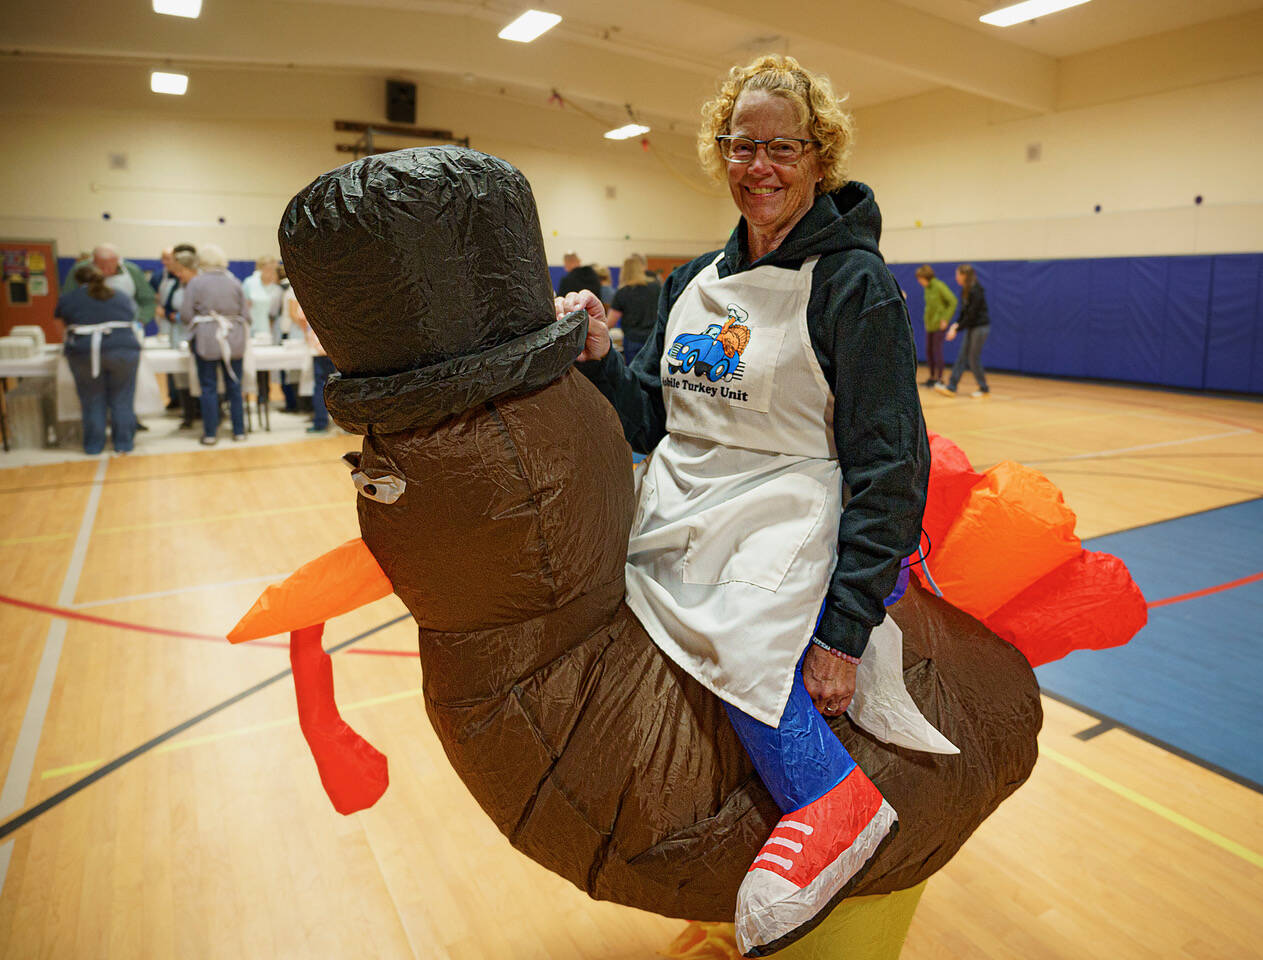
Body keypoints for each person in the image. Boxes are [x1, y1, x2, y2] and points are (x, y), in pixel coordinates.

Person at [561, 54, 928, 955]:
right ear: (720, 152)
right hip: (683, 495)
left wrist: (842, 630)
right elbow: (651, 412)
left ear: (817, 157)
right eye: (741, 145)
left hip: (786, 502)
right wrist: (607, 355)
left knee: (735, 627)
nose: (758, 165)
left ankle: (831, 798)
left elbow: (892, 462)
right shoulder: (694, 280)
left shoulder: (855, 286)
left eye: (781, 148)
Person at [54, 264, 141, 454]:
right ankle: (124, 444)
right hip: (123, 350)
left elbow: (60, 329)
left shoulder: (68, 299)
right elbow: (135, 317)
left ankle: (94, 445)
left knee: (92, 399)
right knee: (123, 398)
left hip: (84, 352)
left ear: (77, 281)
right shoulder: (120, 295)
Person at [184, 244, 249, 444]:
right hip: (234, 338)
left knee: (208, 387)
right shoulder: (235, 282)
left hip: (206, 339)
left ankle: (211, 433)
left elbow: (186, 314)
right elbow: (246, 315)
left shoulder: (196, 283)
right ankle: (239, 431)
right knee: (235, 386)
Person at [62, 244, 157, 330]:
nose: (106, 271)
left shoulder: (132, 271)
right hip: (88, 327)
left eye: (111, 267)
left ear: (118, 260)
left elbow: (148, 301)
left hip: (126, 327)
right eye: (102, 267)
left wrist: (140, 321)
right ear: (93, 261)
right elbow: (67, 301)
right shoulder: (79, 270)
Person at [935, 263, 990, 398]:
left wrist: (957, 328)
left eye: (957, 274)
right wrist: (955, 325)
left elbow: (972, 314)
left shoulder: (976, 290)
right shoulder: (965, 290)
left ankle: (984, 389)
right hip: (971, 327)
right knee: (962, 356)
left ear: (964, 275)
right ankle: (951, 387)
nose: (956, 277)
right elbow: (964, 313)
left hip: (980, 328)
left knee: (972, 358)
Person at [287, 289, 336, 433]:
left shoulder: (308, 294)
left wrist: (307, 334)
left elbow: (301, 317)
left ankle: (321, 422)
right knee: (339, 383)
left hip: (318, 346)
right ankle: (346, 422)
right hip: (336, 345)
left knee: (321, 384)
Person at [608, 253, 660, 364]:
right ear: (642, 268)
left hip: (633, 339)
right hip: (653, 339)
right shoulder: (656, 287)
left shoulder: (623, 292)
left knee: (634, 374)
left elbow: (611, 322)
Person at [915, 265, 956, 387]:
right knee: (929, 351)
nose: (919, 281)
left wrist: (945, 319)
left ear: (925, 277)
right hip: (930, 325)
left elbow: (953, 301)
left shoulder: (939, 286)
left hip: (939, 325)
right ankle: (932, 377)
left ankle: (940, 378)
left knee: (936, 351)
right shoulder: (927, 288)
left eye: (920, 278)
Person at [242, 256, 282, 338]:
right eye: (268, 269)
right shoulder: (250, 283)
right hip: (250, 328)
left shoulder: (277, 289)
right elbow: (242, 306)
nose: (271, 272)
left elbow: (275, 313)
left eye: (273, 269)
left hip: (268, 331)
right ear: (260, 269)